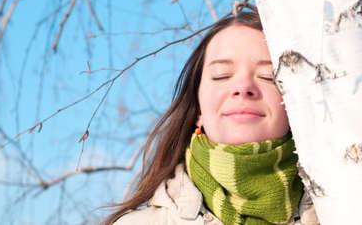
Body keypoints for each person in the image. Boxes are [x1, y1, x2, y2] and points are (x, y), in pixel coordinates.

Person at [103, 11, 319, 225]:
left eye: (267, 76)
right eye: (221, 75)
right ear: (198, 109)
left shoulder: (345, 209)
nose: (243, 87)